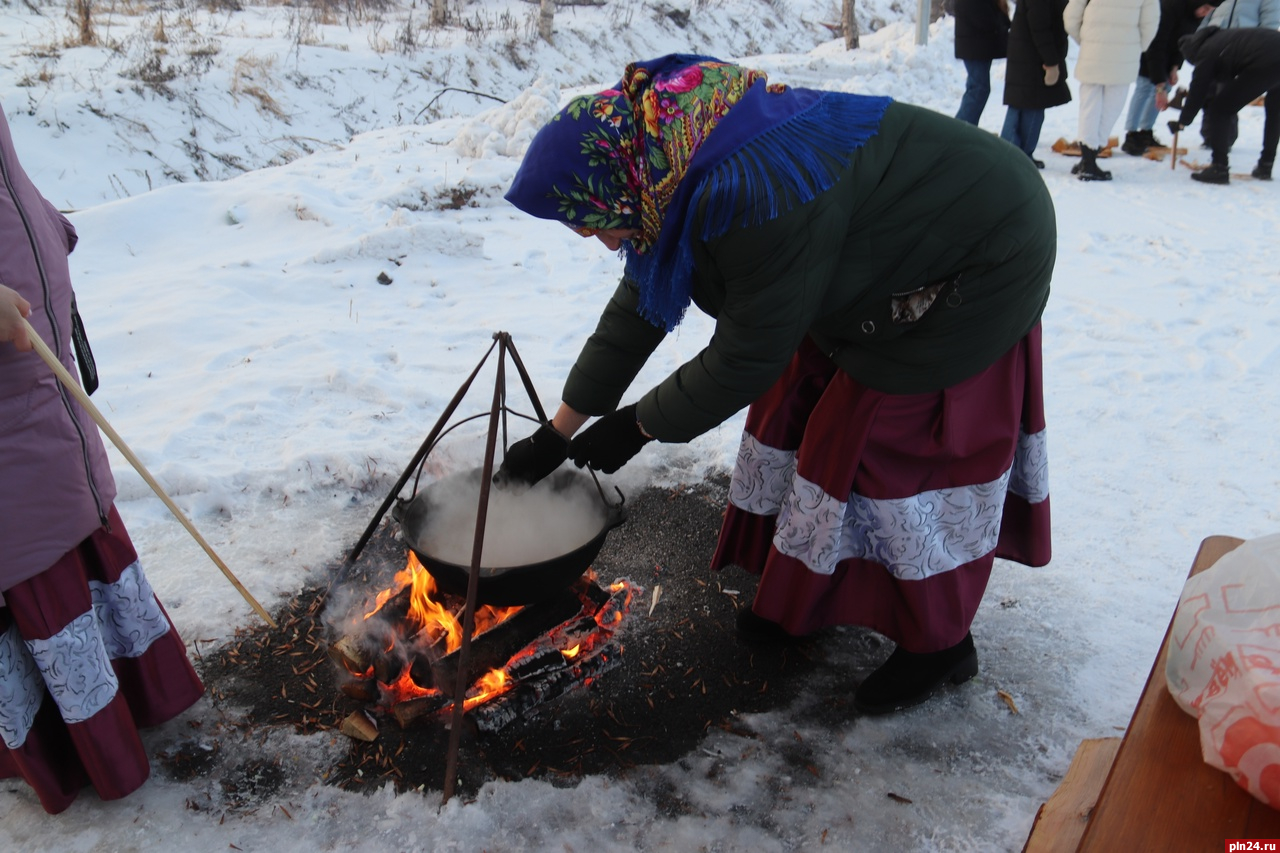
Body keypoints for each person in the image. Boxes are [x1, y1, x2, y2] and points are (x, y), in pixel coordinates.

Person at [497, 54, 1054, 715]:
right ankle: (811, 593)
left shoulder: (749, 192)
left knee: (878, 440)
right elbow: (640, 307)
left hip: (978, 252)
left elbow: (746, 356)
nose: (589, 234)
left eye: (585, 218)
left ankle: (941, 642)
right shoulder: (665, 163)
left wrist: (638, 424)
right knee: (800, 406)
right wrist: (556, 433)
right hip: (874, 250)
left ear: (613, 185)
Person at [0, 109, 204, 814]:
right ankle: (70, 752)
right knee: (37, 560)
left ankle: (131, 701)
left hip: (42, 403)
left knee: (77, 523)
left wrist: (39, 222)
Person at [1064, 0, 1162, 180]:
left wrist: (1087, 39)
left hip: (1093, 50)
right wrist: (1136, 47)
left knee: (1089, 107)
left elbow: (1071, 18)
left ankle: (1087, 159)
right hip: (1124, 55)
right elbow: (1150, 23)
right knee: (1111, 109)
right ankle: (1090, 160)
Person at [1168, 25, 1280, 182]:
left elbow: (1197, 91)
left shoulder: (1206, 52)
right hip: (1272, 52)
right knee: (1275, 112)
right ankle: (1265, 165)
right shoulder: (1222, 38)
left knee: (1219, 110)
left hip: (1267, 60)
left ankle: (1219, 168)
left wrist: (1183, 122)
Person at [1119, 0, 1222, 156]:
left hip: (1167, 55)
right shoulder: (1170, 6)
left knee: (1165, 87)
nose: (1205, 13)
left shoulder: (1194, 14)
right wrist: (1159, 83)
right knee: (1145, 87)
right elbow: (1156, 43)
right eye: (1205, 8)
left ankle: (1146, 132)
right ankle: (1131, 135)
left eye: (1210, 11)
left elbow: (1184, 42)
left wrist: (1175, 67)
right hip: (1148, 52)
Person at [1000, 0, 1073, 165]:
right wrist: (1051, 61)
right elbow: (1039, 26)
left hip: (1029, 53)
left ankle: (1011, 153)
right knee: (1032, 105)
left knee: (1022, 103)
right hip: (1033, 56)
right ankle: (1018, 155)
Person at [954, 0, 1012, 125]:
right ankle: (961, 129)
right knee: (978, 89)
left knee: (978, 88)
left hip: (978, 44)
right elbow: (983, 18)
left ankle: (964, 128)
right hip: (974, 44)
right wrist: (1002, 26)